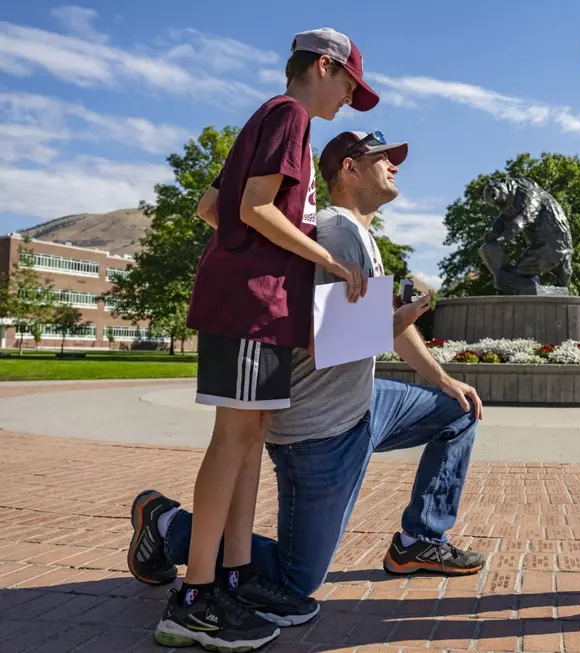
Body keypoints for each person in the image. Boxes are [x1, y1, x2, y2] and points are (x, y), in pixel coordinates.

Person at [127, 130, 486, 628]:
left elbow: (382, 328)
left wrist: (444, 380)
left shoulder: (360, 235)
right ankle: (167, 525)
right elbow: (319, 343)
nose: (395, 166)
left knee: (457, 412)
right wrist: (397, 321)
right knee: (296, 581)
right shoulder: (334, 234)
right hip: (318, 430)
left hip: (364, 404)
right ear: (348, 170)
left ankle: (419, 541)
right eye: (383, 158)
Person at [127, 29, 379, 651]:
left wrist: (262, 243)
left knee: (250, 438)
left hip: (261, 306)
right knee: (234, 440)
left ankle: (232, 575)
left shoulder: (277, 119)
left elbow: (213, 206)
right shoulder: (289, 114)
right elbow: (250, 208)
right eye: (349, 83)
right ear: (325, 67)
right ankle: (194, 597)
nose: (350, 97)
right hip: (251, 306)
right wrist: (330, 260)